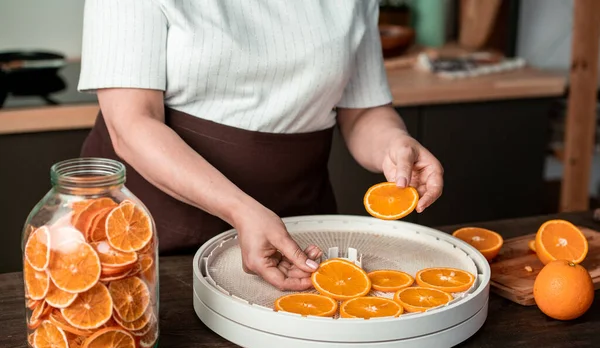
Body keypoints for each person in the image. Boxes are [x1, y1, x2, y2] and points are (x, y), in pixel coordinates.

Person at [78, 0, 444, 291]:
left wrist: (394, 145)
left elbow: (363, 111)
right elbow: (132, 125)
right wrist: (241, 211)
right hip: (150, 240)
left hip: (295, 238)